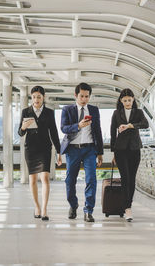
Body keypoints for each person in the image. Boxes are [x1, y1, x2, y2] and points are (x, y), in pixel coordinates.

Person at [60, 83, 103, 222]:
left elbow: (98, 131)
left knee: (91, 179)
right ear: (75, 95)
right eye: (81, 96)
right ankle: (73, 205)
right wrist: (78, 125)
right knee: (69, 180)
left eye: (87, 96)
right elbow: (64, 128)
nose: (84, 99)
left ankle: (88, 211)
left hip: (90, 149)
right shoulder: (67, 109)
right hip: (72, 149)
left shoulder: (94, 110)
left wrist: (100, 152)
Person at [18, 86, 62, 221]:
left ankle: (44, 209)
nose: (36, 99)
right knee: (32, 180)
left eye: (39, 97)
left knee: (45, 178)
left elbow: (54, 133)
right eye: (34, 97)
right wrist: (24, 127)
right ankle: (37, 206)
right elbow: (20, 133)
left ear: (43, 97)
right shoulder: (26, 111)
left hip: (44, 149)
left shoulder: (49, 112)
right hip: (30, 149)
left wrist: (59, 152)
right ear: (31, 98)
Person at [110, 88, 148, 222]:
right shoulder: (116, 113)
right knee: (125, 178)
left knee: (132, 179)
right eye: (125, 100)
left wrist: (130, 125)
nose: (127, 102)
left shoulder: (138, 112)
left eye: (129, 100)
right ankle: (127, 208)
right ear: (121, 101)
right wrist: (113, 153)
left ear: (133, 100)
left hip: (134, 149)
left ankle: (127, 205)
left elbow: (145, 124)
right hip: (120, 150)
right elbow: (112, 133)